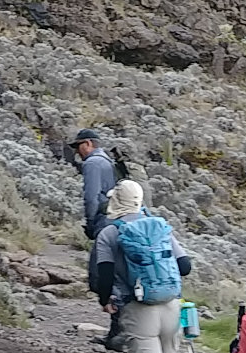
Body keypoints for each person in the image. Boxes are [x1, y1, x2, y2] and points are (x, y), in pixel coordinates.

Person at [95, 180, 191, 353]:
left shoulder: (108, 233)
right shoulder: (159, 227)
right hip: (171, 305)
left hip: (137, 308)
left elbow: (105, 274)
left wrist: (105, 300)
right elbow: (185, 266)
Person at [69, 129, 117, 240]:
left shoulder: (92, 163)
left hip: (103, 220)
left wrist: (90, 222)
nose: (76, 151)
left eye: (78, 146)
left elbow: (91, 197)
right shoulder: (106, 160)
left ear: (88, 143)